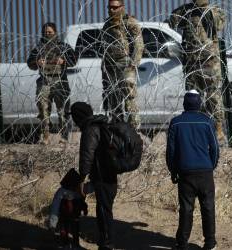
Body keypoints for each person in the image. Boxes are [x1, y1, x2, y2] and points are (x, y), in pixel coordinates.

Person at [166, 90, 219, 250]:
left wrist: (173, 170)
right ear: (199, 104)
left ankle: (182, 243)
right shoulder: (206, 121)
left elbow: (171, 151)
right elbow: (215, 147)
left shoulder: (176, 123)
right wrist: (212, 164)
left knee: (186, 208)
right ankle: (209, 243)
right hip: (205, 171)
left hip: (185, 172)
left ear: (184, 104)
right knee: (208, 207)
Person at [168, 0, 226, 141]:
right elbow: (172, 22)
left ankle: (218, 129)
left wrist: (204, 10)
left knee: (213, 96)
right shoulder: (186, 11)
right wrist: (187, 10)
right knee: (193, 97)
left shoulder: (214, 11)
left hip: (209, 61)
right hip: (191, 61)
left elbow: (218, 24)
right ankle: (197, 130)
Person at [70, 102, 118, 250]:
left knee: (104, 211)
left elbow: (87, 156)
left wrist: (82, 177)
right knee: (104, 209)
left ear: (78, 117)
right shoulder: (101, 124)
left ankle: (106, 244)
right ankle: (106, 242)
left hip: (102, 176)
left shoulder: (90, 129)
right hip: (110, 173)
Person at [27, 22, 77, 144]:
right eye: (45, 33)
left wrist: (63, 60)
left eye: (50, 32)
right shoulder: (38, 49)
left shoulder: (63, 47)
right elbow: (30, 63)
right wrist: (37, 62)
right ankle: (45, 136)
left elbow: (74, 60)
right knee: (43, 110)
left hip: (60, 80)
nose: (47, 34)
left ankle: (64, 137)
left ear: (55, 32)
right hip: (45, 81)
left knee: (63, 110)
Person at [100, 0, 144, 128]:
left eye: (115, 7)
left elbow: (139, 44)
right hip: (109, 65)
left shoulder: (130, 22)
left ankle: (133, 129)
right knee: (113, 99)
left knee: (129, 96)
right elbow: (103, 46)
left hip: (125, 63)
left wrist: (133, 63)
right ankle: (116, 129)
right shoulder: (107, 25)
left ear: (122, 7)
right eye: (109, 7)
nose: (111, 10)